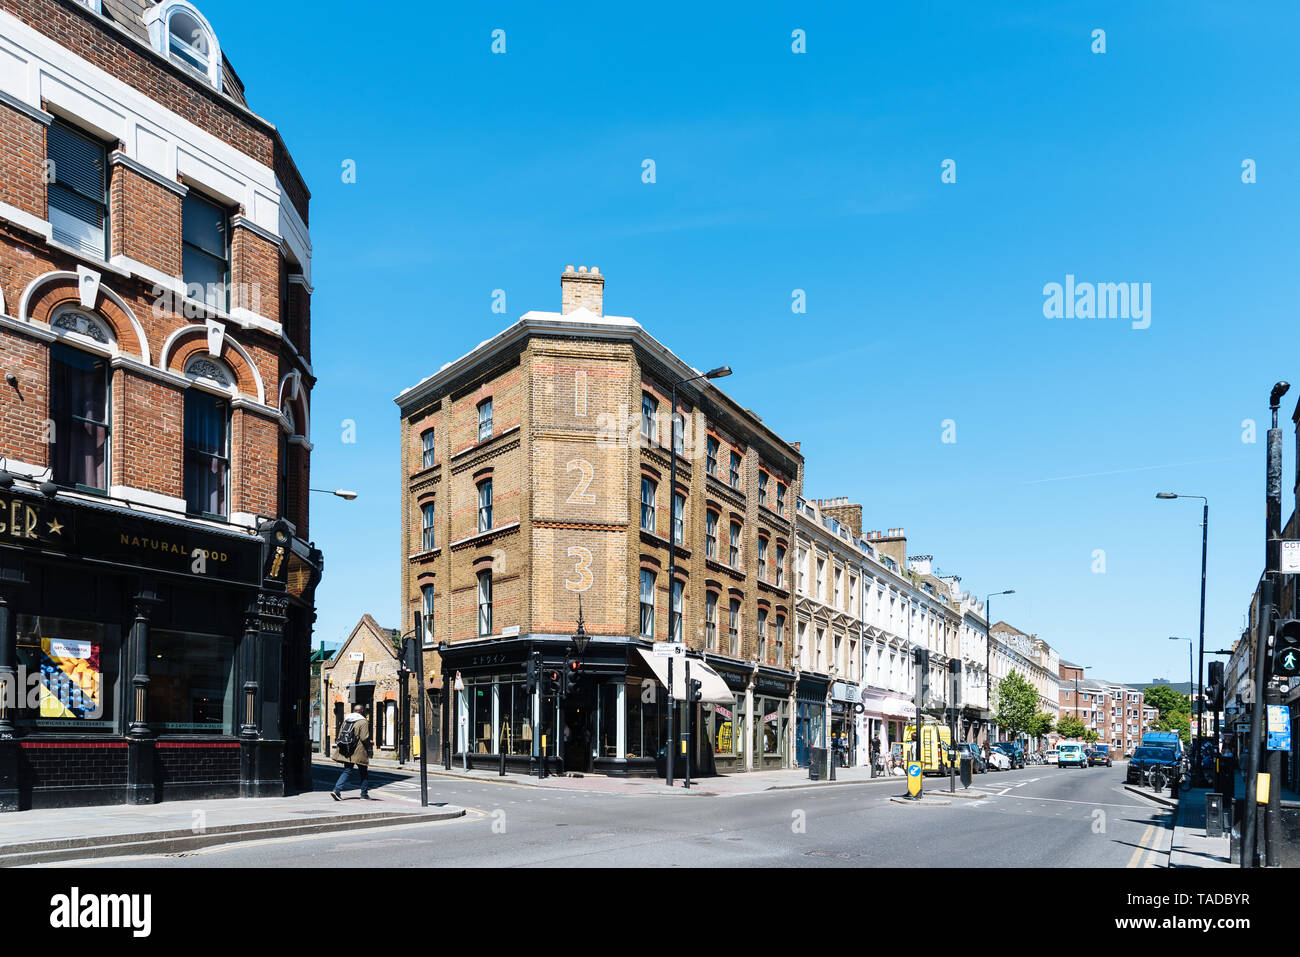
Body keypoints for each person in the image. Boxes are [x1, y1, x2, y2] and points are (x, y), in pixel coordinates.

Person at [331, 704, 372, 800]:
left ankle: (337, 790)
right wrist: (370, 743)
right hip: (359, 750)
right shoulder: (362, 721)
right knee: (364, 772)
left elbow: (340, 734)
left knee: (347, 770)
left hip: (347, 749)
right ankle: (364, 794)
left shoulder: (347, 720)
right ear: (362, 711)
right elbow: (364, 737)